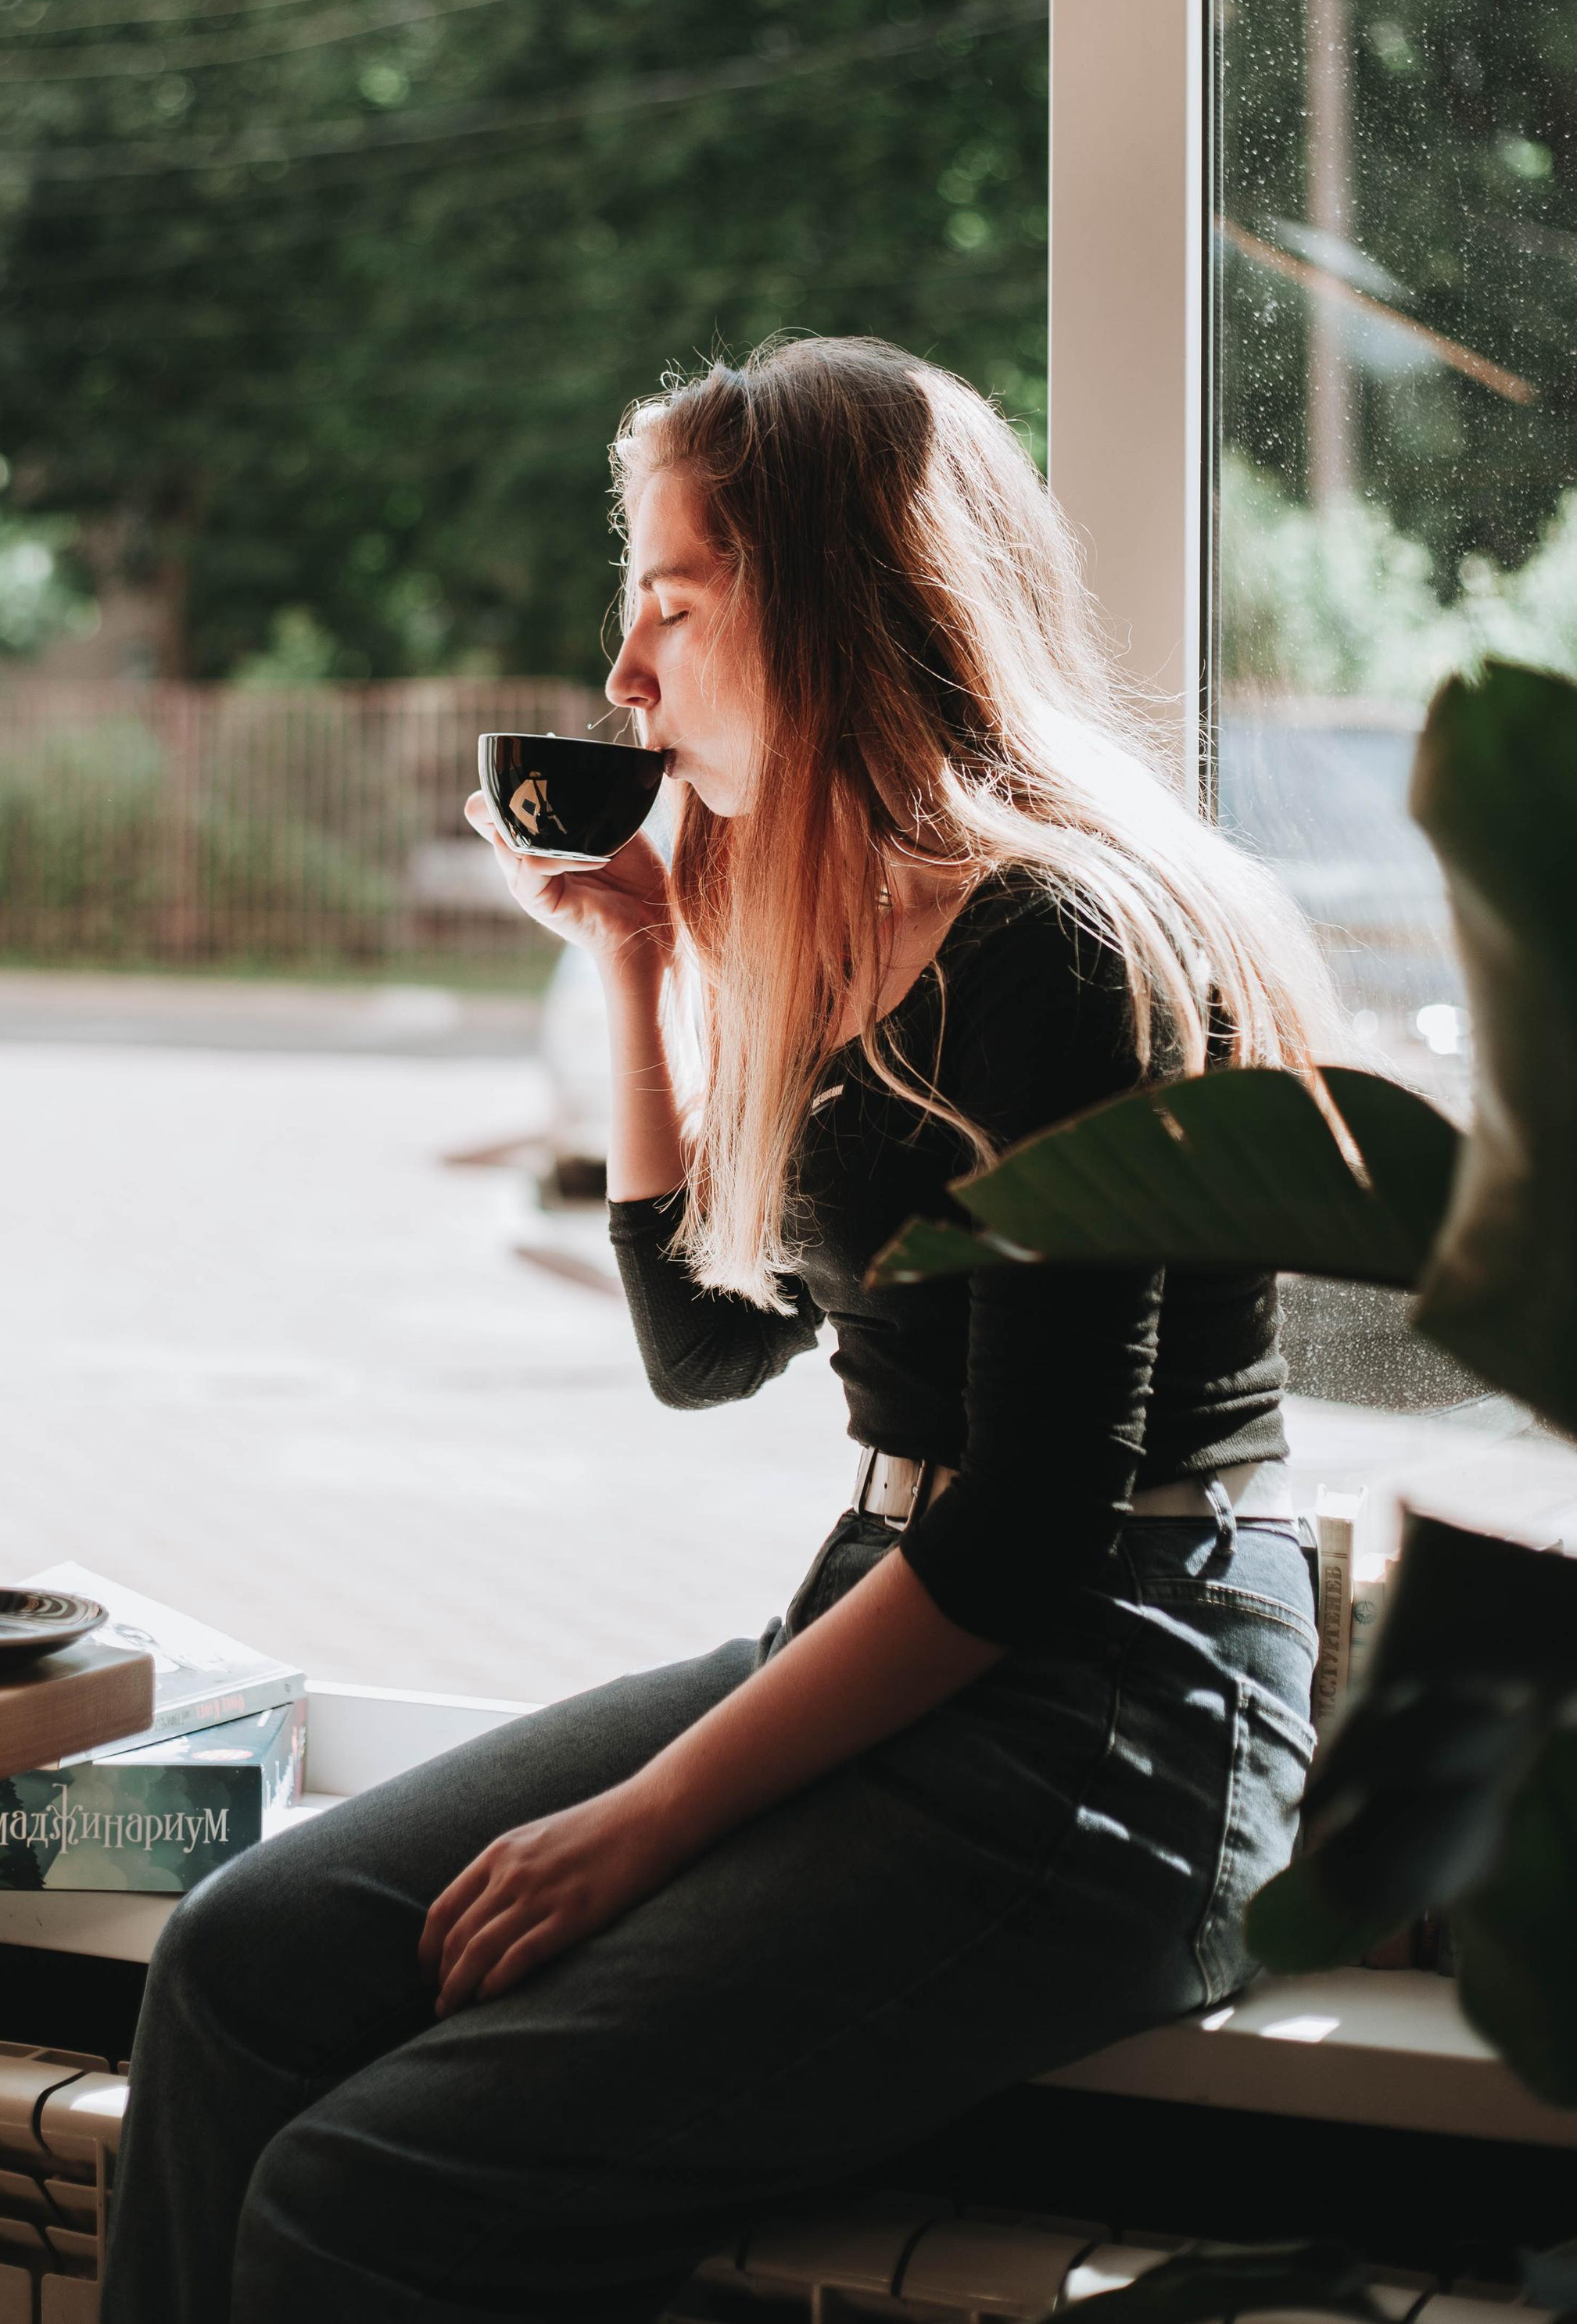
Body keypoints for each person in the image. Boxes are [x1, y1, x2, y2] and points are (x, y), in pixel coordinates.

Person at [102, 339, 1331, 2324]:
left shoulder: (1060, 947)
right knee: (237, 1967)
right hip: (894, 1607)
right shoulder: (834, 922)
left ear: (847, 600)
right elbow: (706, 1350)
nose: (622, 674)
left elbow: (1025, 1528)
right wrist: (641, 957)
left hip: (1112, 1702)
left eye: (672, 601)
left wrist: (634, 1832)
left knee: (371, 2194)